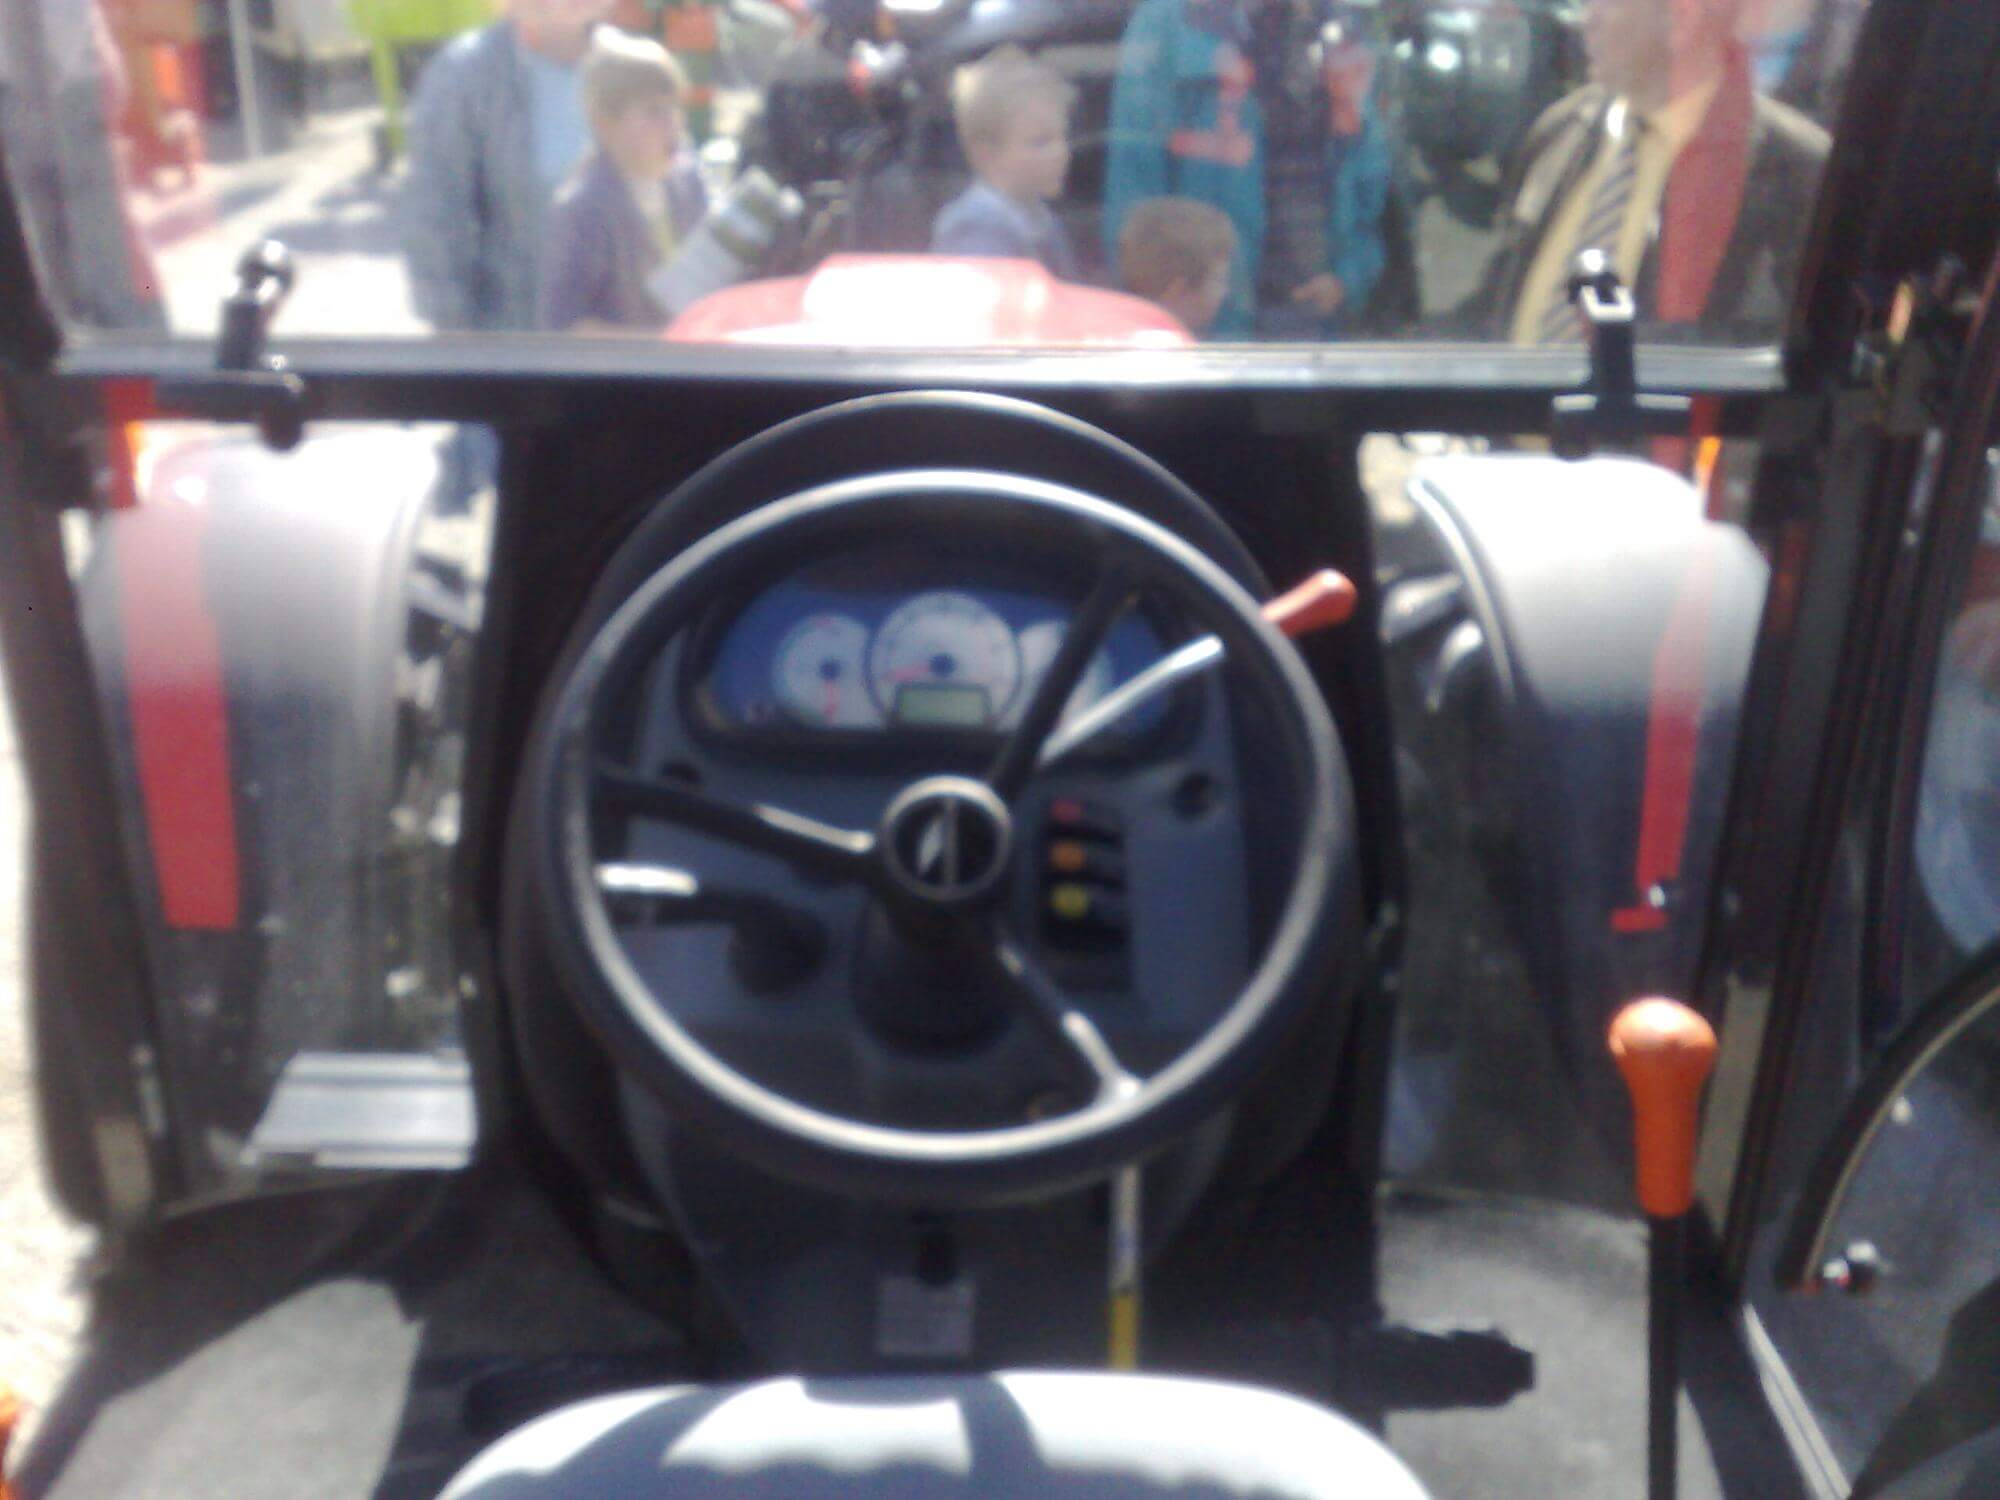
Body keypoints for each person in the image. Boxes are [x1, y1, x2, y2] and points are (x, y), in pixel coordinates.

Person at [1488, 0, 1830, 346]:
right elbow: (1496, 302)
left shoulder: (1797, 173)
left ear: (1682, 19)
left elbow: (1797, 354)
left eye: (1605, 3)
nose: (1586, 20)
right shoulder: (1563, 129)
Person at [1102, 0, 1393, 340]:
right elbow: (1134, 197)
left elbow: (1369, 180)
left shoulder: (1343, 26)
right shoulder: (1173, 22)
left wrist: (1347, 278)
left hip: (1311, 316)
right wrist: (1163, 311)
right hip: (1205, 321)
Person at [402, 0, 615, 333]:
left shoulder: (633, 63)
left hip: (628, 339)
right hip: (517, 336)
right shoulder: (465, 74)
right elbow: (437, 214)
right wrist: (454, 333)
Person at [539, 31, 707, 332]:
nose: (673, 124)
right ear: (604, 122)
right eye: (655, 112)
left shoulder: (688, 184)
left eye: (676, 108)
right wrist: (660, 344)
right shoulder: (584, 209)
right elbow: (568, 325)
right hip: (629, 362)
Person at [930, 46, 1080, 279]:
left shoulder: (1040, 219)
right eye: (1041, 141)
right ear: (985, 153)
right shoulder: (976, 231)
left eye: (1063, 137)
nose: (1061, 152)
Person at [1117, 196, 1237, 336]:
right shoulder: (1175, 346)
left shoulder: (1108, 337)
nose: (1225, 293)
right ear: (1178, 290)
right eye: (1218, 281)